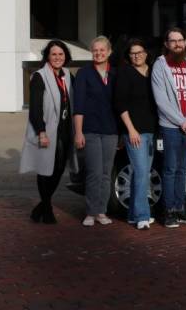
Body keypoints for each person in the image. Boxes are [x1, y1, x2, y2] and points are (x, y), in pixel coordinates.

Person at [20, 39, 78, 224]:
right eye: (54, 54)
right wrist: (41, 132)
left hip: (65, 130)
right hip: (47, 130)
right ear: (47, 56)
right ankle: (47, 209)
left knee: (59, 169)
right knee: (46, 170)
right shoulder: (39, 76)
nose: (57, 58)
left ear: (66, 56)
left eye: (61, 54)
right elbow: (35, 108)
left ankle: (40, 207)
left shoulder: (68, 76)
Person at [151, 27, 186, 228]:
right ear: (166, 44)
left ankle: (181, 208)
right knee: (170, 169)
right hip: (171, 127)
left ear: (185, 43)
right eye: (173, 41)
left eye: (180, 40)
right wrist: (181, 121)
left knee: (183, 169)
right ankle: (168, 211)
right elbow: (161, 100)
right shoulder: (160, 65)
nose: (177, 44)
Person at [73, 36, 119, 227]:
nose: (99, 53)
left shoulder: (116, 74)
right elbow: (79, 105)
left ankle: (102, 211)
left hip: (111, 130)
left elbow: (121, 105)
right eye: (95, 50)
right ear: (91, 52)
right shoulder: (84, 73)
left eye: (102, 50)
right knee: (94, 172)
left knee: (107, 173)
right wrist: (78, 132)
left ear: (109, 52)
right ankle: (91, 212)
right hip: (90, 130)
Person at [114, 39, 158, 230]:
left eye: (139, 52)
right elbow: (120, 103)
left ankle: (133, 215)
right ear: (128, 56)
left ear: (146, 53)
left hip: (151, 131)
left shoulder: (154, 72)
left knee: (143, 173)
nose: (136, 55)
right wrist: (130, 130)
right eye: (132, 53)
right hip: (135, 132)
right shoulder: (125, 73)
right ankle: (142, 216)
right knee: (141, 172)